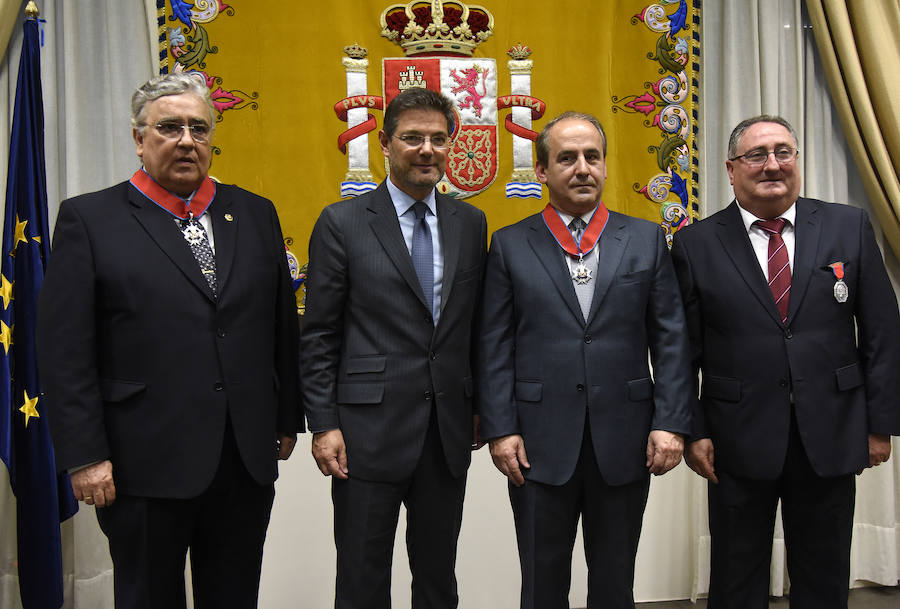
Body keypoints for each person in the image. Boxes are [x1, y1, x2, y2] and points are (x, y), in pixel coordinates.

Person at [36, 73, 301, 609]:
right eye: (169, 127)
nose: (186, 140)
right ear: (139, 138)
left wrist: (285, 417)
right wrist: (85, 455)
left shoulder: (253, 212)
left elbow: (280, 325)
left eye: (198, 128)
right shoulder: (90, 219)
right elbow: (65, 350)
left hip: (242, 458)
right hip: (141, 461)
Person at [670, 115, 900, 609]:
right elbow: (681, 352)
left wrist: (879, 423)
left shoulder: (848, 226)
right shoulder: (696, 244)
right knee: (736, 575)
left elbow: (882, 333)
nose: (772, 164)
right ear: (731, 170)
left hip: (832, 430)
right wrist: (693, 429)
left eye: (783, 152)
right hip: (735, 437)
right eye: (756, 155)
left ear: (797, 160)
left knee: (823, 573)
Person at [477, 111, 692, 609]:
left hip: (627, 437)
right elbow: (493, 344)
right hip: (537, 442)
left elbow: (672, 339)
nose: (582, 168)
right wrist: (500, 428)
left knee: (615, 583)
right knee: (542, 582)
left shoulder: (644, 239)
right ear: (542, 172)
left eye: (592, 157)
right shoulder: (510, 245)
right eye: (567, 158)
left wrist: (671, 422)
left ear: (606, 167)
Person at [300, 87, 487, 609]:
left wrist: (483, 409)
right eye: (412, 138)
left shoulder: (469, 223)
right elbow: (318, 335)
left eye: (438, 139)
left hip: (446, 432)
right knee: (361, 578)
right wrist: (324, 424)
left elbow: (474, 329)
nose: (426, 150)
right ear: (384, 143)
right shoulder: (343, 222)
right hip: (364, 433)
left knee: (437, 577)